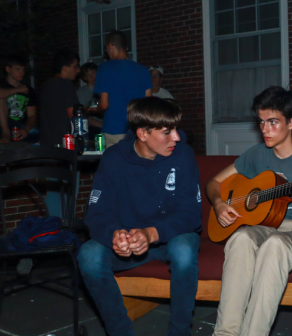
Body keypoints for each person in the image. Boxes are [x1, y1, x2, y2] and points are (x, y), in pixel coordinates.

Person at [206, 86, 292, 336]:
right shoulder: (256, 155)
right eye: (261, 122)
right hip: (262, 226)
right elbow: (214, 183)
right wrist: (220, 203)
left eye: (273, 122)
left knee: (275, 245)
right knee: (240, 238)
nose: (265, 129)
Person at [78, 97, 201, 336]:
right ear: (142, 134)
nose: (176, 137)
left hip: (170, 237)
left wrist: (151, 233)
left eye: (176, 129)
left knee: (184, 251)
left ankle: (180, 332)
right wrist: (115, 235)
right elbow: (97, 213)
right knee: (89, 254)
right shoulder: (114, 158)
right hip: (130, 240)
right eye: (167, 132)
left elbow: (192, 215)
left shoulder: (183, 155)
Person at [94, 30, 152, 148]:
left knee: (113, 165)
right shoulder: (143, 70)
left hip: (113, 130)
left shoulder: (104, 68)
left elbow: (104, 105)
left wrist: (94, 110)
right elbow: (149, 103)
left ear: (111, 45)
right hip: (138, 131)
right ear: (126, 48)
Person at [39, 49, 80, 147]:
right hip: (65, 142)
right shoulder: (66, 85)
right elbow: (73, 116)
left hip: (47, 141)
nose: (78, 70)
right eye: (75, 66)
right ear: (65, 68)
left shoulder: (46, 85)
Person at [0, 55, 38, 144]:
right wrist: (18, 89)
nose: (21, 72)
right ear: (8, 69)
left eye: (23, 70)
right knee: (0, 98)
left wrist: (26, 129)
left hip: (18, 126)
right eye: (18, 69)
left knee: (39, 135)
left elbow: (32, 116)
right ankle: (5, 133)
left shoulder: (28, 90)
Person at [77, 62, 103, 135]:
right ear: (85, 78)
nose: (92, 77)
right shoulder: (81, 93)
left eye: (94, 73)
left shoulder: (104, 90)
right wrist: (103, 126)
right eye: (88, 75)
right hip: (92, 128)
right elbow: (84, 116)